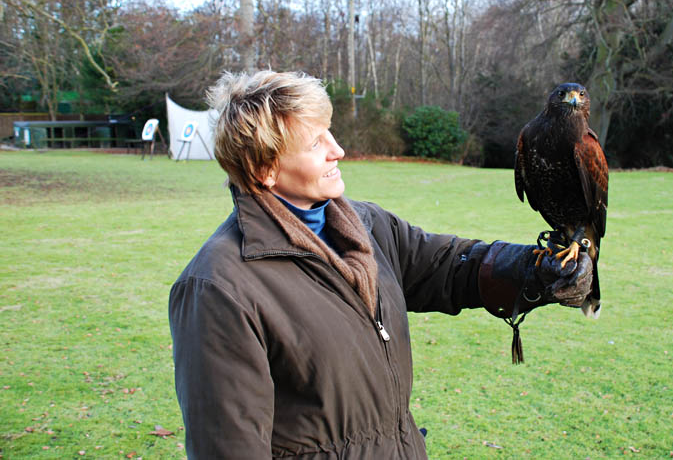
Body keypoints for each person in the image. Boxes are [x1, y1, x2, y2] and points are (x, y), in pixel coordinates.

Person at [168, 70, 593, 459]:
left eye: (329, 133)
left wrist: (535, 269)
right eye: (316, 143)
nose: (338, 149)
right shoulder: (219, 287)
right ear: (265, 169)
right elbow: (228, 447)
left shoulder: (363, 224)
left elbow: (447, 266)